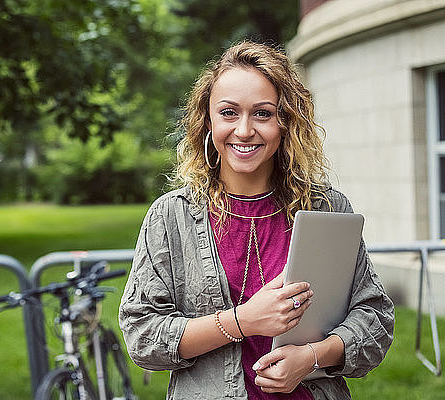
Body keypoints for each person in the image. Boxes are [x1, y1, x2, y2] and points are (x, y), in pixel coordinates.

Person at [118, 39, 394, 400]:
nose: (244, 130)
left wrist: (312, 357)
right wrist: (243, 321)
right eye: (229, 113)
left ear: (285, 123)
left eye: (262, 113)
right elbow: (142, 335)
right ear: (207, 121)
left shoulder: (327, 208)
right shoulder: (172, 215)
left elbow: (374, 318)